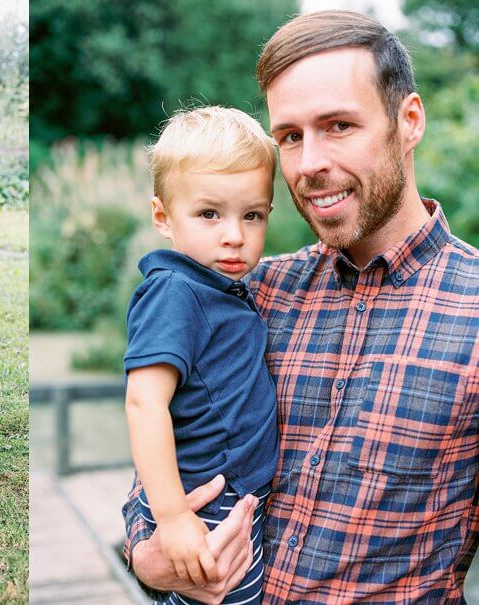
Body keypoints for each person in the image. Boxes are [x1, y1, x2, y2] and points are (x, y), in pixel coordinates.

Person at [123, 10, 478, 604]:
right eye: (290, 136)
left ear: (408, 120)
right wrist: (148, 556)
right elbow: (160, 465)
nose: (309, 163)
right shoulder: (249, 292)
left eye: (338, 125)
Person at [124, 106, 279, 605]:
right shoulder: (175, 291)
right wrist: (171, 518)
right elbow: (145, 404)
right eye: (209, 214)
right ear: (163, 218)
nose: (234, 234)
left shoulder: (221, 288)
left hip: (232, 491)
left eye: (252, 215)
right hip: (206, 500)